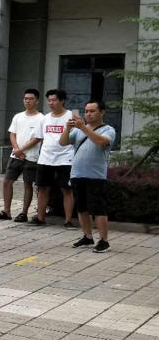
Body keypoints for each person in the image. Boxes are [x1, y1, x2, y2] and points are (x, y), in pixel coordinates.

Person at [62, 100, 117, 253]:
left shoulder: (108, 130)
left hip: (96, 176)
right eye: (86, 111)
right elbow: (63, 142)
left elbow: (101, 142)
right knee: (82, 208)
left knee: (98, 209)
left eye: (92, 111)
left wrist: (83, 128)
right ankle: (87, 236)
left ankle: (104, 241)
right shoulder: (79, 130)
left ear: (102, 112)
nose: (88, 114)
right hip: (77, 174)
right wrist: (68, 128)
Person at [0, 89, 42, 222]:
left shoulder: (41, 118)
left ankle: (24, 212)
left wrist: (22, 150)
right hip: (15, 156)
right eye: (25, 98)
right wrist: (17, 149)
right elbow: (12, 134)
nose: (27, 101)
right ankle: (6, 211)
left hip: (31, 157)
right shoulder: (18, 116)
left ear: (37, 101)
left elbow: (37, 138)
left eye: (31, 99)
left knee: (27, 184)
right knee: (7, 181)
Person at [32, 89, 76, 228]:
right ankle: (40, 217)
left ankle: (68, 220)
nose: (51, 103)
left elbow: (77, 136)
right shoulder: (45, 118)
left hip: (66, 158)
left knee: (67, 189)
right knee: (42, 188)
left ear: (62, 101)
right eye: (49, 100)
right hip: (46, 158)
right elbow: (39, 137)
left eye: (54, 100)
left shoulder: (72, 116)